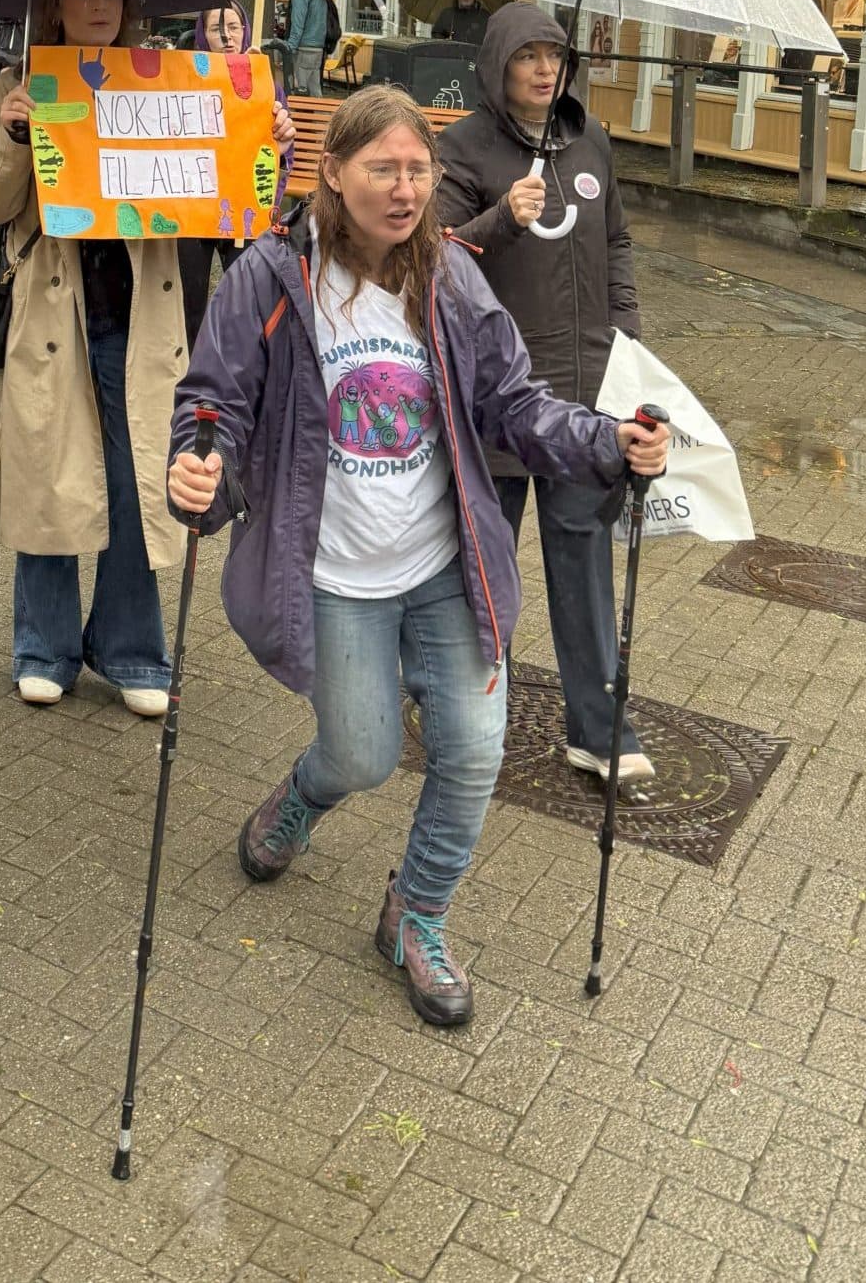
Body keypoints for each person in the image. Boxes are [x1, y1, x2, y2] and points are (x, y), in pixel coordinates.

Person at [169, 86, 668, 1027]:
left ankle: (417, 915)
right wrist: (200, 469)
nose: (405, 190)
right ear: (334, 173)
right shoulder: (273, 278)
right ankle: (305, 794)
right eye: (383, 169)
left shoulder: (451, 277)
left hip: (446, 563)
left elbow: (515, 405)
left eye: (418, 171)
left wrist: (608, 441)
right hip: (334, 572)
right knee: (363, 753)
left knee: (474, 753)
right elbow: (214, 402)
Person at [432, 3, 652, 782]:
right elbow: (434, 251)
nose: (544, 69)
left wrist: (622, 334)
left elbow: (615, 240)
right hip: (497, 396)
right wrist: (504, 216)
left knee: (585, 556)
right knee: (482, 567)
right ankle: (455, 708)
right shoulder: (461, 148)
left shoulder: (588, 140)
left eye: (554, 55)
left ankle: (599, 728)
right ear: (498, 63)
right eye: (527, 55)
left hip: (583, 399)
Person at [0, 0, 187, 717]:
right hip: (56, 316)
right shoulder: (15, 85)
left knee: (141, 485)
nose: (98, 4)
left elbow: (223, 194)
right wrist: (18, 134)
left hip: (140, 318)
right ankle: (44, 646)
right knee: (48, 474)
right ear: (55, 5)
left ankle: (131, 648)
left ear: (128, 6)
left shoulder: (162, 83)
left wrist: (265, 134)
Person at [177, 1, 295, 348]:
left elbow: (278, 150)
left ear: (246, 30)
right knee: (189, 300)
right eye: (216, 28)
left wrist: (264, 100)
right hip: (194, 209)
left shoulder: (263, 81)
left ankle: (238, 365)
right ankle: (193, 364)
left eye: (234, 27)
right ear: (202, 34)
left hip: (242, 207)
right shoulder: (184, 77)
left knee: (245, 296)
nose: (227, 37)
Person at [282, 0, 335, 95]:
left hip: (303, 49)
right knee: (315, 90)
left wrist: (289, 49)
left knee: (299, 91)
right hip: (318, 49)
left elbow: (297, 26)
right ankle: (319, 113)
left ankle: (299, 113)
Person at [431, 0, 495, 46]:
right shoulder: (447, 14)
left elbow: (492, 39)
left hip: (476, 55)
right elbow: (436, 34)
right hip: (451, 55)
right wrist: (443, 41)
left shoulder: (484, 16)